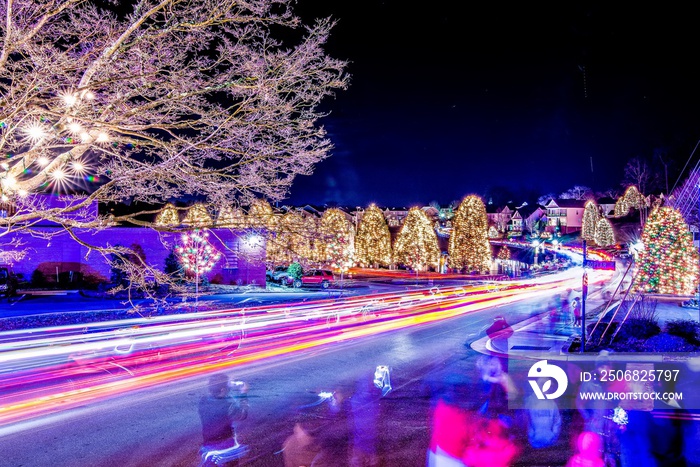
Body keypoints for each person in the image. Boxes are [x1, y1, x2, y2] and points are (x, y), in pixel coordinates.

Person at [198, 373, 249, 467]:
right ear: (223, 390)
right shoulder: (227, 405)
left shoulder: (203, 401)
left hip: (208, 444)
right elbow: (242, 415)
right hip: (225, 446)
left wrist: (225, 385)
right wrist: (243, 393)